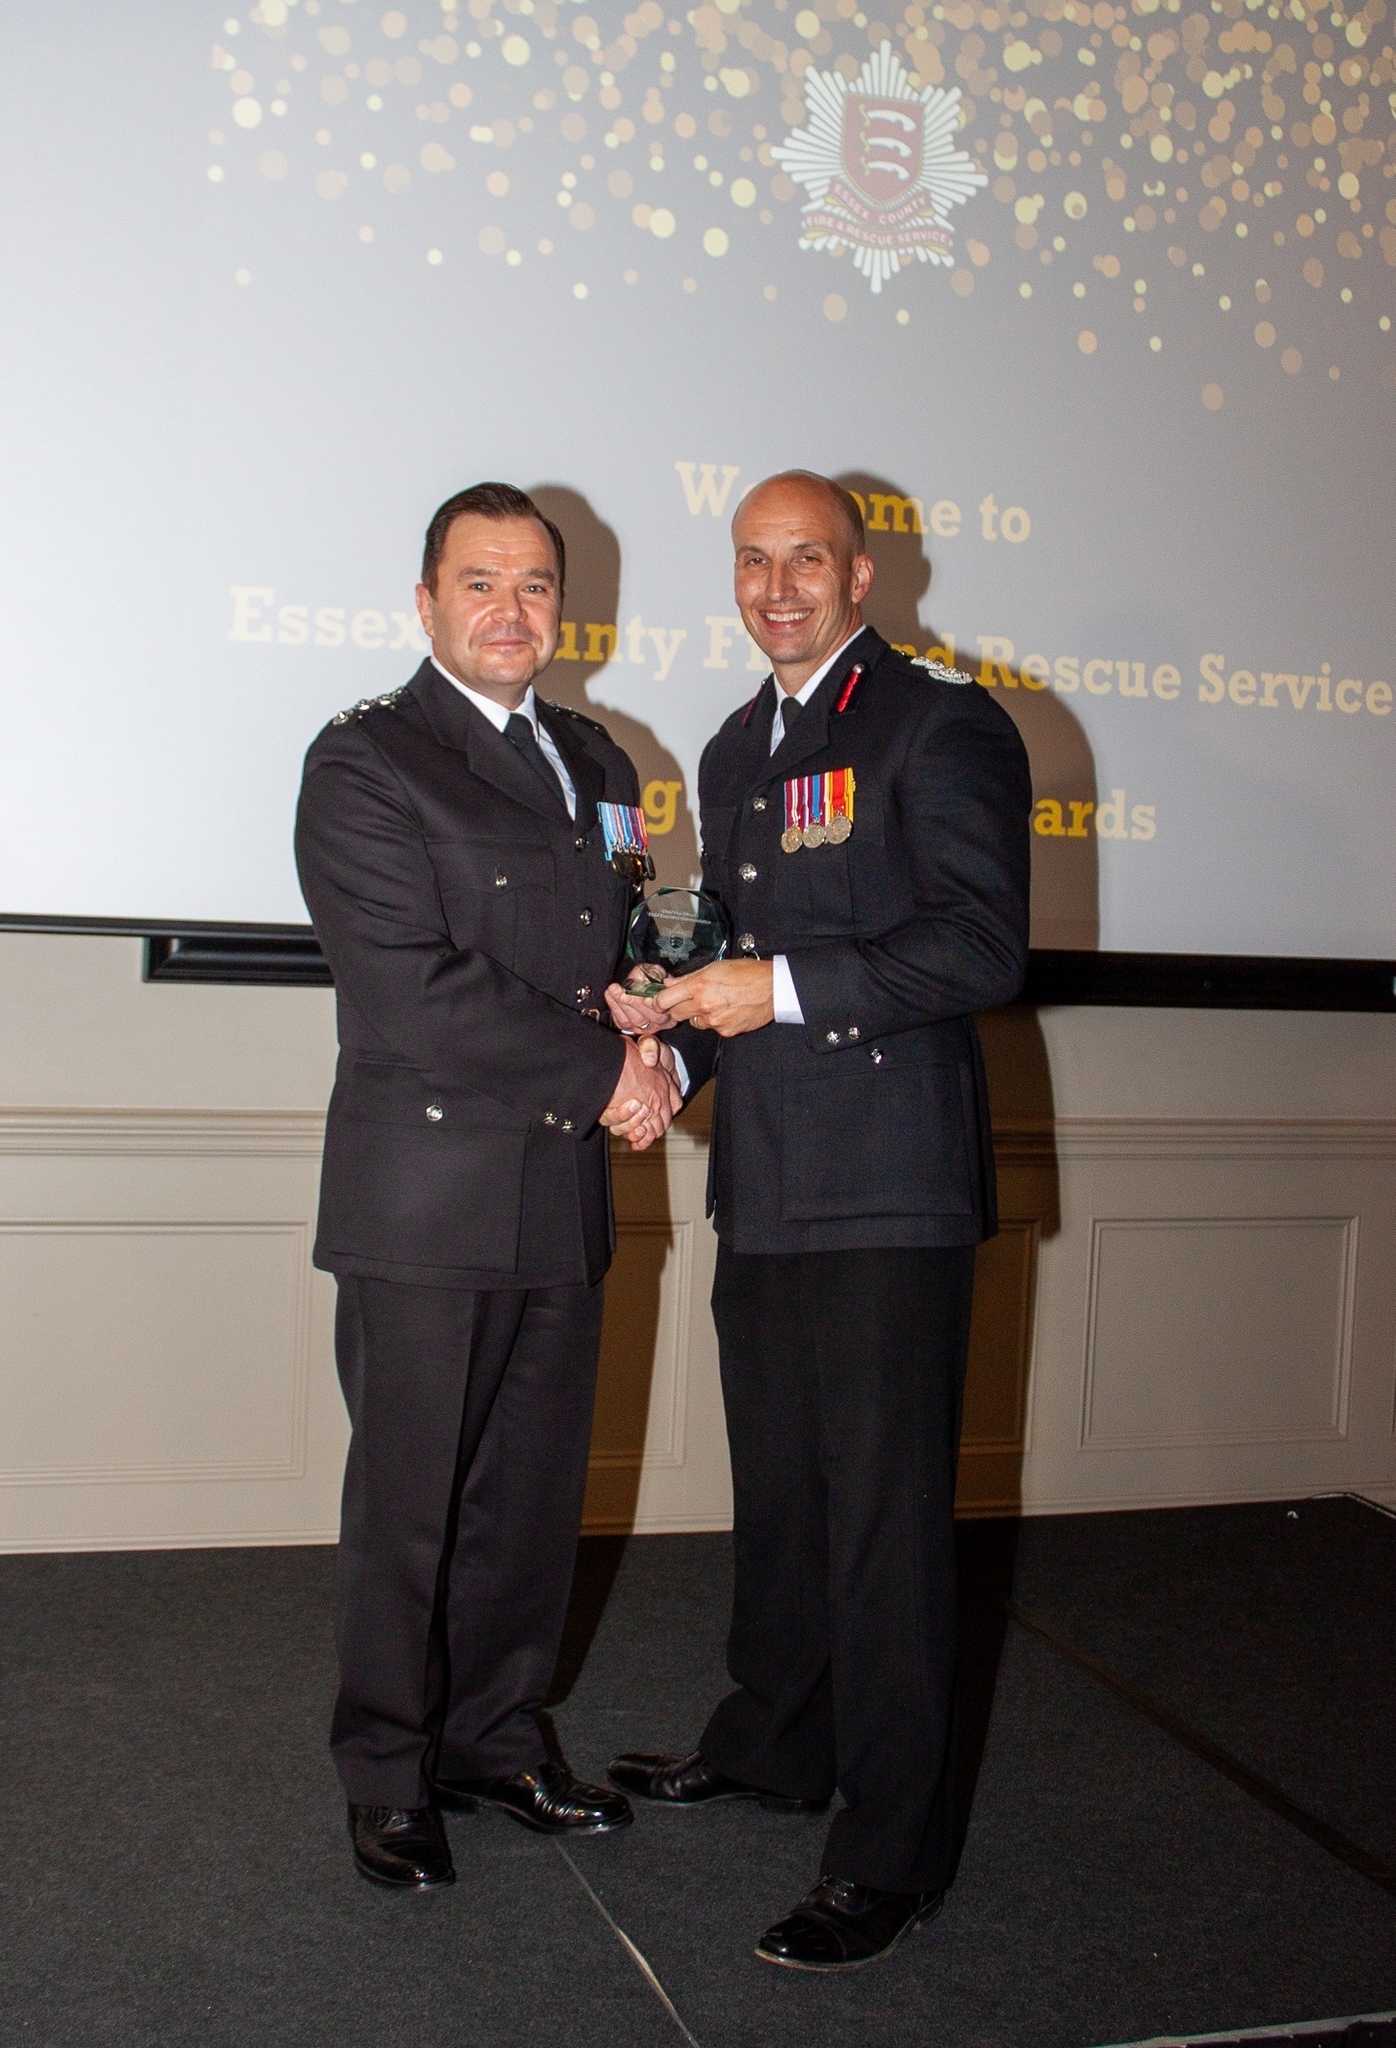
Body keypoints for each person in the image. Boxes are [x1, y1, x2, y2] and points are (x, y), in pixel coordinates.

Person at [603, 470, 1032, 1970]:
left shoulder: (939, 722)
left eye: (807, 561)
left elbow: (980, 944)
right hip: (771, 1174)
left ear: (863, 576)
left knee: (889, 1526)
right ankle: (777, 1741)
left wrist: (769, 994)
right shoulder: (734, 747)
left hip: (891, 1182)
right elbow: (735, 960)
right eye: (752, 561)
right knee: (784, 1492)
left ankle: (890, 1854)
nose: (776, 587)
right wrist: (671, 1049)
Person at [294, 481, 681, 1890]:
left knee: (528, 1500)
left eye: (533, 585)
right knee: (414, 1505)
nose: (510, 610)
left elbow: (650, 924)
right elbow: (409, 993)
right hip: (429, 1194)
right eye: (479, 583)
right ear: (425, 603)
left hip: (560, 1191)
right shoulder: (365, 763)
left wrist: (669, 1049)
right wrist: (606, 1076)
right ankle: (388, 1771)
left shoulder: (601, 757)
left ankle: (498, 1739)